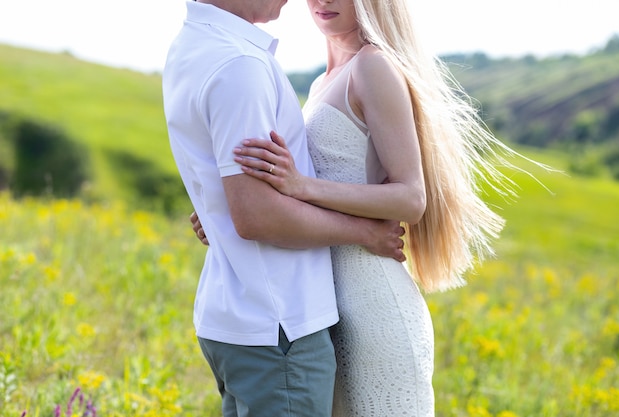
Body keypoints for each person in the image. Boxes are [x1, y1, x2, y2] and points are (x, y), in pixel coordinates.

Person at [218, 0, 541, 415]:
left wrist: (302, 186)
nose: (322, 1)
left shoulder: (373, 67)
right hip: (326, 304)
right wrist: (223, 210)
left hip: (373, 301)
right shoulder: (321, 83)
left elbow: (411, 197)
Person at [161, 1, 407, 416]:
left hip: (239, 316)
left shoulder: (192, 44)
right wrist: (365, 233)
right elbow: (258, 215)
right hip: (279, 323)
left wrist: (219, 211)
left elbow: (230, 188)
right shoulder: (240, 64)